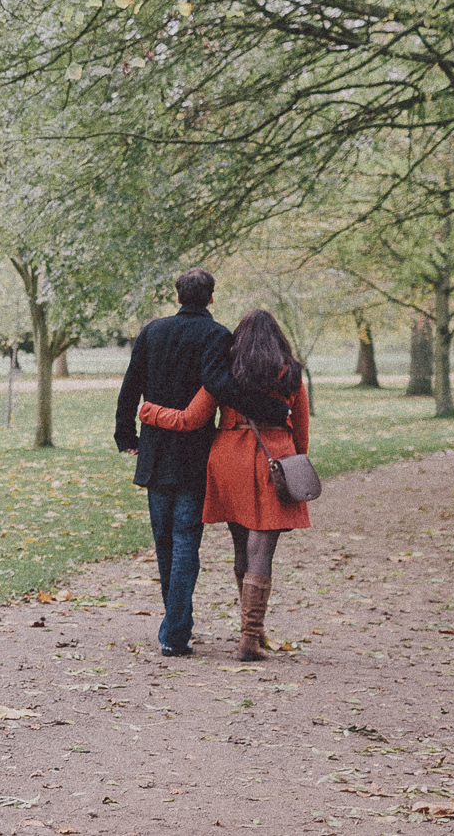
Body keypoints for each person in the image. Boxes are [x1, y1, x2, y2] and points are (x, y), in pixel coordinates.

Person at [115, 269, 291, 657]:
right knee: (184, 544)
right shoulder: (216, 336)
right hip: (194, 455)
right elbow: (221, 386)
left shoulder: (152, 331)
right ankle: (175, 632)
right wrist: (273, 410)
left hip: (155, 453)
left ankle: (175, 629)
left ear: (177, 295)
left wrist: (125, 433)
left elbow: (131, 384)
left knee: (165, 544)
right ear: (210, 298)